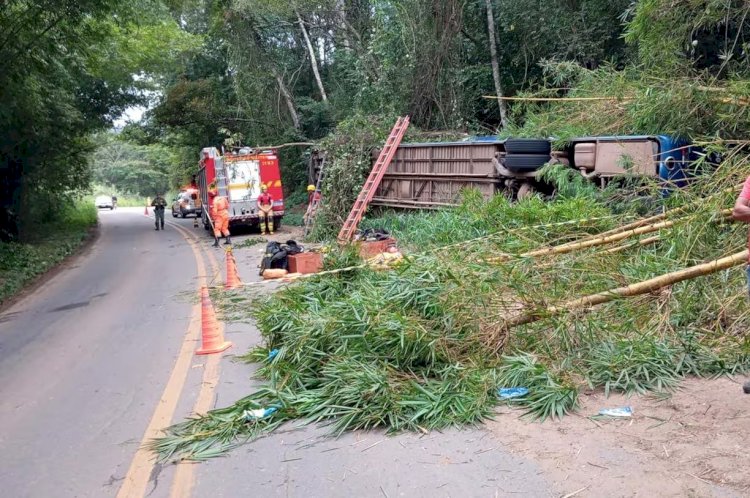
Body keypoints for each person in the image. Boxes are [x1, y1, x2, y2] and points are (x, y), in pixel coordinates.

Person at [209, 182, 231, 247]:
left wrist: (213, 218)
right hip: (225, 214)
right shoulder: (223, 198)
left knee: (217, 229)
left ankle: (217, 242)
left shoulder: (215, 201)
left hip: (219, 215)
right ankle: (228, 240)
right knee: (224, 228)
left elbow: (214, 211)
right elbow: (227, 206)